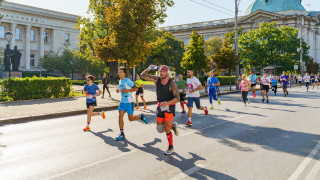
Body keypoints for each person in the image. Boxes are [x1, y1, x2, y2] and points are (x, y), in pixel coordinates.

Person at [140, 65, 180, 155]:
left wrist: (167, 103)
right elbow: (142, 75)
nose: (162, 73)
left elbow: (177, 98)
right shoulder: (156, 79)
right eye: (160, 71)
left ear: (167, 72)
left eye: (164, 71)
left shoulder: (172, 83)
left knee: (166, 127)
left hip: (170, 106)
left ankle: (171, 147)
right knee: (160, 129)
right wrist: (149, 68)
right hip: (160, 106)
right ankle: (172, 127)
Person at [115, 67, 148, 141]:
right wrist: (118, 90)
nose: (119, 73)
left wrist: (127, 90)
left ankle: (141, 117)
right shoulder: (120, 81)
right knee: (120, 116)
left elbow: (136, 88)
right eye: (119, 72)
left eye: (121, 72)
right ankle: (122, 134)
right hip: (122, 101)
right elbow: (121, 89)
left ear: (124, 73)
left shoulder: (128, 81)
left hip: (129, 101)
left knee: (131, 119)